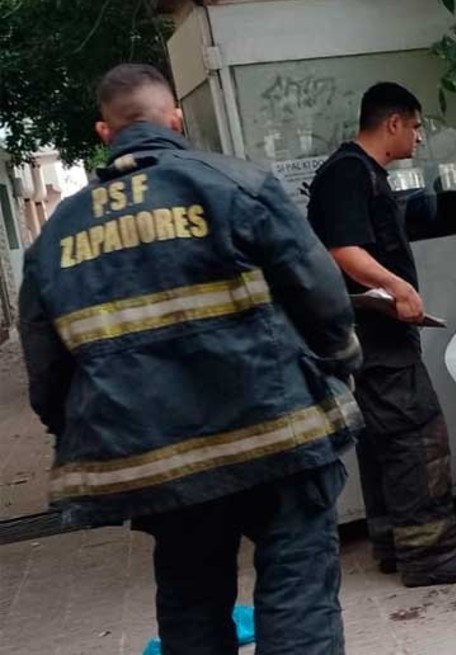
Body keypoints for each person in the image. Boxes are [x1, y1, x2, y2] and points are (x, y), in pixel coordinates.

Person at [18, 63, 363, 654]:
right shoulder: (238, 184)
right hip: (275, 435)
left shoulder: (56, 237)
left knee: (192, 601)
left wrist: (80, 431)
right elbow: (323, 297)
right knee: (297, 591)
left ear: (106, 133)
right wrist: (339, 359)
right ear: (175, 119)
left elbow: (47, 370)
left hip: (159, 460)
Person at [306, 82, 456, 587]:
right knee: (417, 435)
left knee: (386, 439)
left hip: (368, 337)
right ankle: (430, 554)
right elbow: (343, 251)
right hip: (377, 337)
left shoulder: (357, 174)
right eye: (414, 126)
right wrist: (398, 288)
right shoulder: (349, 173)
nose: (417, 136)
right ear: (392, 123)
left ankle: (394, 541)